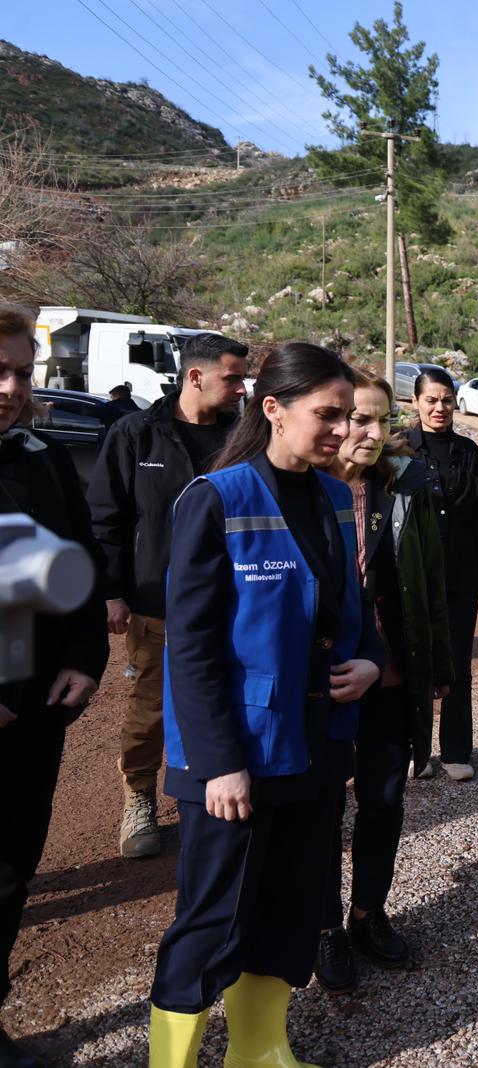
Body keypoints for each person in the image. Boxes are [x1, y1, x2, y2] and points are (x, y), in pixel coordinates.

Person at [147, 343, 382, 1068]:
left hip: (311, 747)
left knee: (286, 912)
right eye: (328, 415)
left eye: (348, 416)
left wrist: (371, 660)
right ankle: (172, 1061)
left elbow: (352, 608)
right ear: (272, 409)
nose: (343, 432)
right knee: (213, 921)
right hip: (235, 759)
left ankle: (258, 1051)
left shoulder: (337, 498)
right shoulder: (215, 498)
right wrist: (219, 764)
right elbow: (190, 649)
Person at [313, 369, 452, 993]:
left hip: (391, 673)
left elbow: (428, 584)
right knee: (317, 807)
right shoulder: (300, 491)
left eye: (379, 421)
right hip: (319, 679)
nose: (367, 434)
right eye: (356, 419)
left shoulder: (403, 488)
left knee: (385, 800)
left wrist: (439, 665)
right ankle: (322, 929)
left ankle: (367, 913)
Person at [88, 332, 249, 859]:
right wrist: (112, 591)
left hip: (234, 600)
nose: (241, 387)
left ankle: (213, 786)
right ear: (195, 377)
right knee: (150, 709)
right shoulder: (137, 433)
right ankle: (138, 797)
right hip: (157, 603)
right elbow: (107, 518)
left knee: (231, 695)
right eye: (232, 377)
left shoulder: (244, 437)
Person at [0, 307, 108, 1068]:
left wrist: (86, 655)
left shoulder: (39, 457)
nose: (10, 387)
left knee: (10, 871)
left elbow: (79, 563)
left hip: (33, 713)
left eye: (22, 373)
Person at [402, 367, 478, 782]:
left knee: (458, 661)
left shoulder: (469, 452)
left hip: (461, 575)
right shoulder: (400, 451)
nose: (439, 407)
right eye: (431, 400)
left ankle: (457, 751)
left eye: (446, 399)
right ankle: (418, 753)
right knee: (416, 661)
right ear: (416, 403)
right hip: (413, 577)